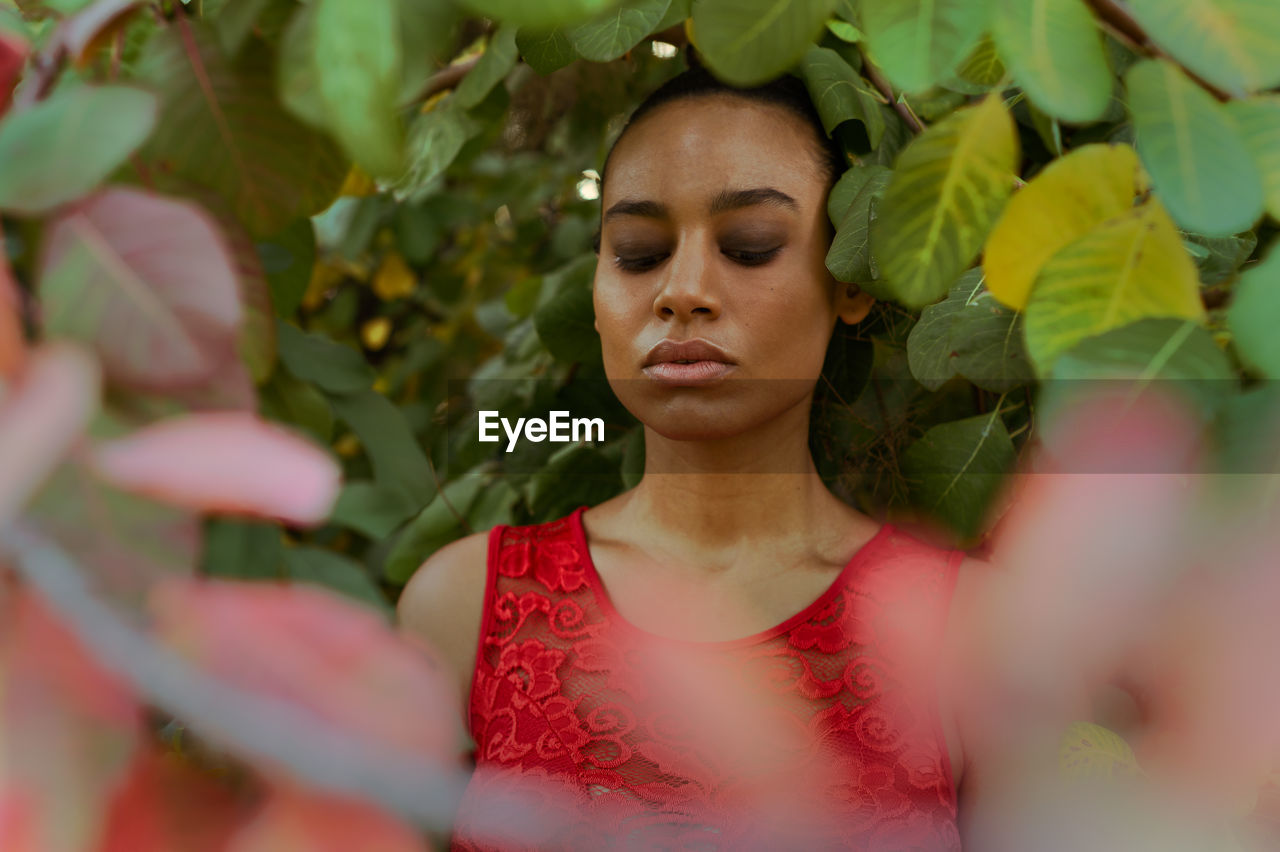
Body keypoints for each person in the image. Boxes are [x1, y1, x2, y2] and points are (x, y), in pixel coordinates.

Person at [397, 61, 1137, 851]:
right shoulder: (463, 606)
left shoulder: (976, 633)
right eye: (639, 252)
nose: (683, 290)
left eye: (749, 246)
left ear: (848, 280)